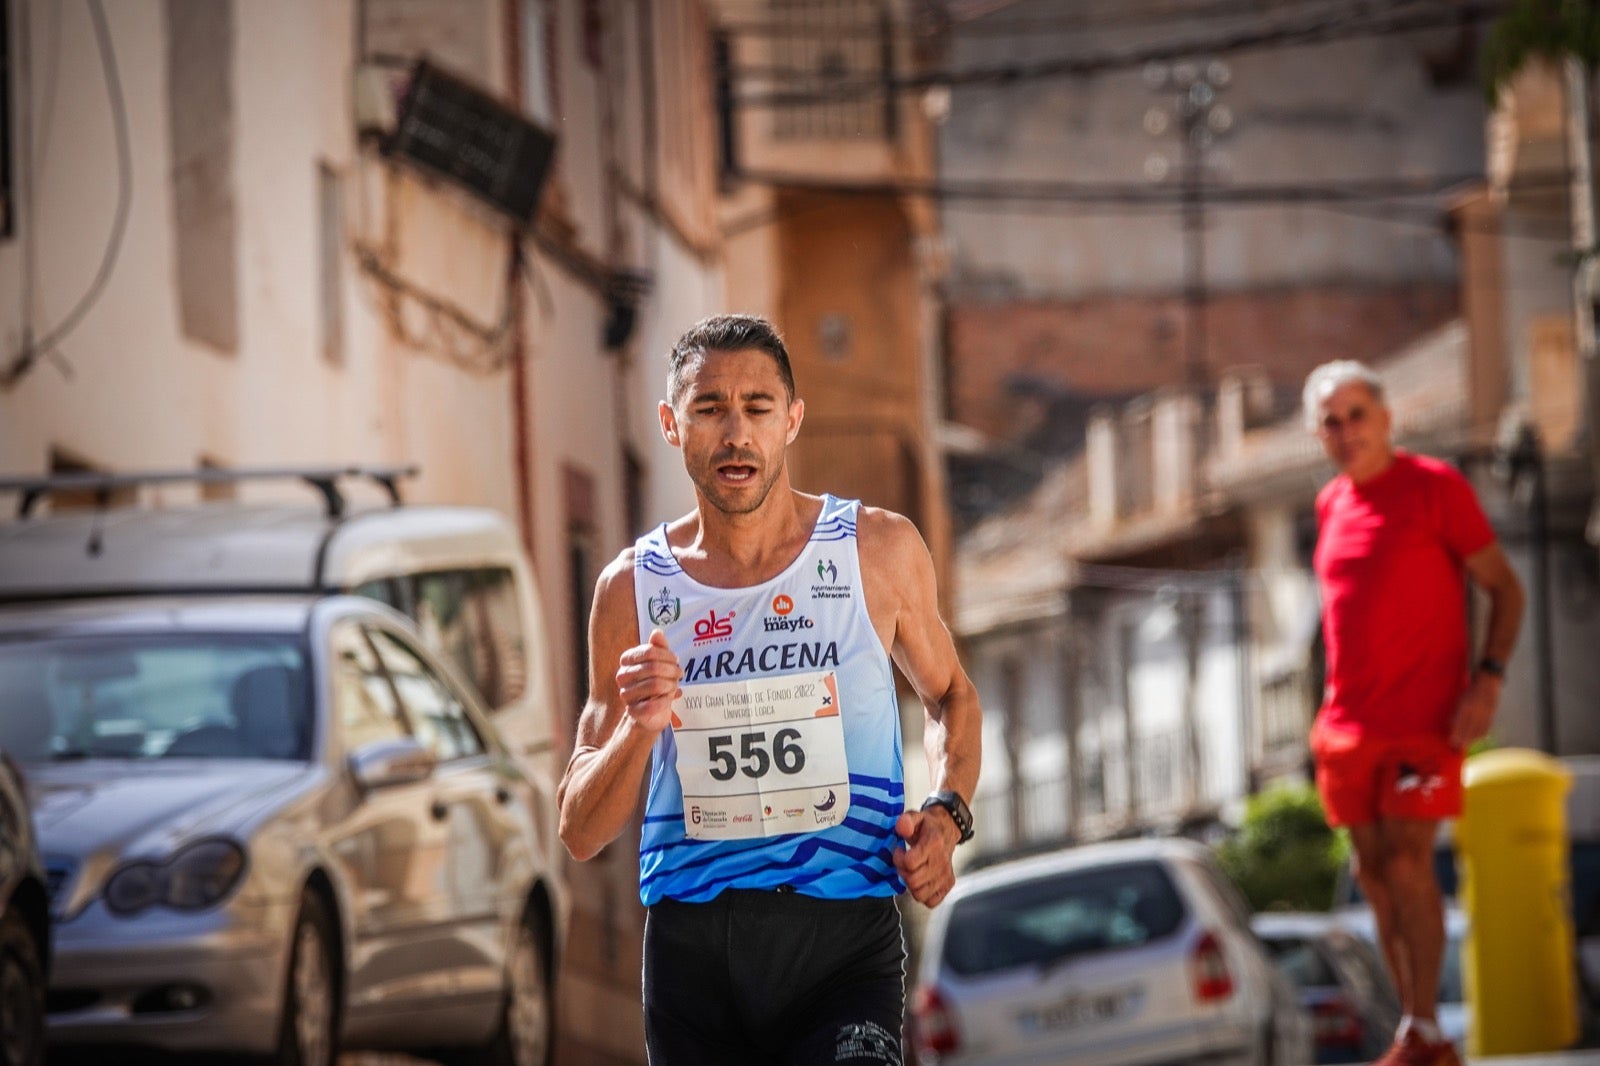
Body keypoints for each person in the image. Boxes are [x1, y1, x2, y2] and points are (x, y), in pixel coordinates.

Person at [558, 314, 983, 1065]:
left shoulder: (874, 550)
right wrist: (639, 726)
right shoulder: (631, 587)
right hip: (694, 952)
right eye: (709, 409)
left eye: (757, 409)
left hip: (843, 938)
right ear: (670, 424)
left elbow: (951, 696)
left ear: (792, 421)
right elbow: (581, 830)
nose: (735, 435)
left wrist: (947, 814)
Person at [1304, 360, 1524, 1066]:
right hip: (1346, 727)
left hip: (1425, 722)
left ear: (1387, 417)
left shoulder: (1436, 489)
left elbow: (1506, 590)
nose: (1346, 432)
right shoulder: (1329, 504)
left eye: (1357, 414)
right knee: (1371, 872)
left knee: (1408, 863)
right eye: (1331, 422)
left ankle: (1423, 1028)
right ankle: (1420, 1029)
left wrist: (1486, 682)